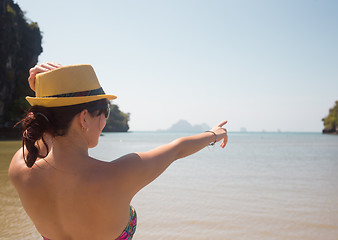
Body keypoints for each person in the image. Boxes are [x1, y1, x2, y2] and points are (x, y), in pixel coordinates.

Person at [8, 62, 228, 240]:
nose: (105, 119)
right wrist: (215, 134)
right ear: (84, 118)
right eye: (105, 111)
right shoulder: (120, 175)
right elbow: (178, 148)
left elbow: (39, 135)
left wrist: (47, 94)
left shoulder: (19, 168)